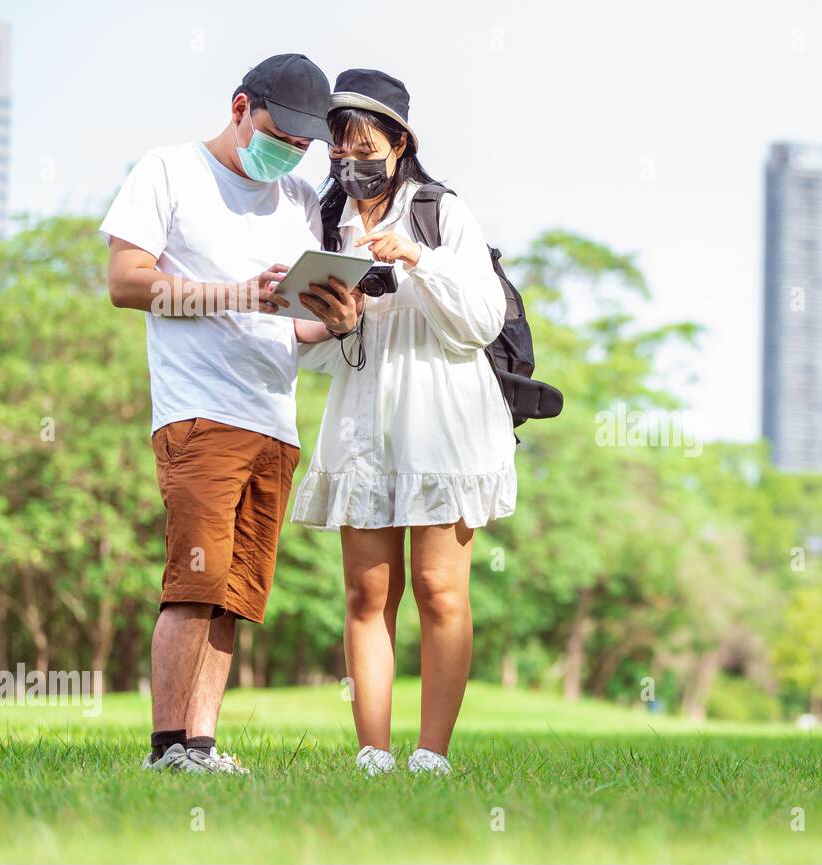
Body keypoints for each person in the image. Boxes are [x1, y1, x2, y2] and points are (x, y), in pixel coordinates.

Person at [102, 54, 358, 774]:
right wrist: (236, 294)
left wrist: (336, 321)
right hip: (200, 413)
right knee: (195, 583)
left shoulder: (300, 199)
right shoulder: (169, 171)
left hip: (274, 420)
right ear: (241, 107)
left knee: (235, 596)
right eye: (282, 135)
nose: (293, 154)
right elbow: (127, 283)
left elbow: (297, 326)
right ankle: (165, 749)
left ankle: (202, 746)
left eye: (306, 146)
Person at [292, 69, 515, 776]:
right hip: (363, 418)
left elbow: (481, 322)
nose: (351, 162)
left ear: (399, 142)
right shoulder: (324, 221)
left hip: (442, 417)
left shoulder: (439, 212)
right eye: (338, 149)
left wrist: (418, 260)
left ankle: (432, 753)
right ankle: (372, 754)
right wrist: (335, 320)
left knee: (440, 589)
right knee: (366, 593)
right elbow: (309, 345)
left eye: (364, 146)